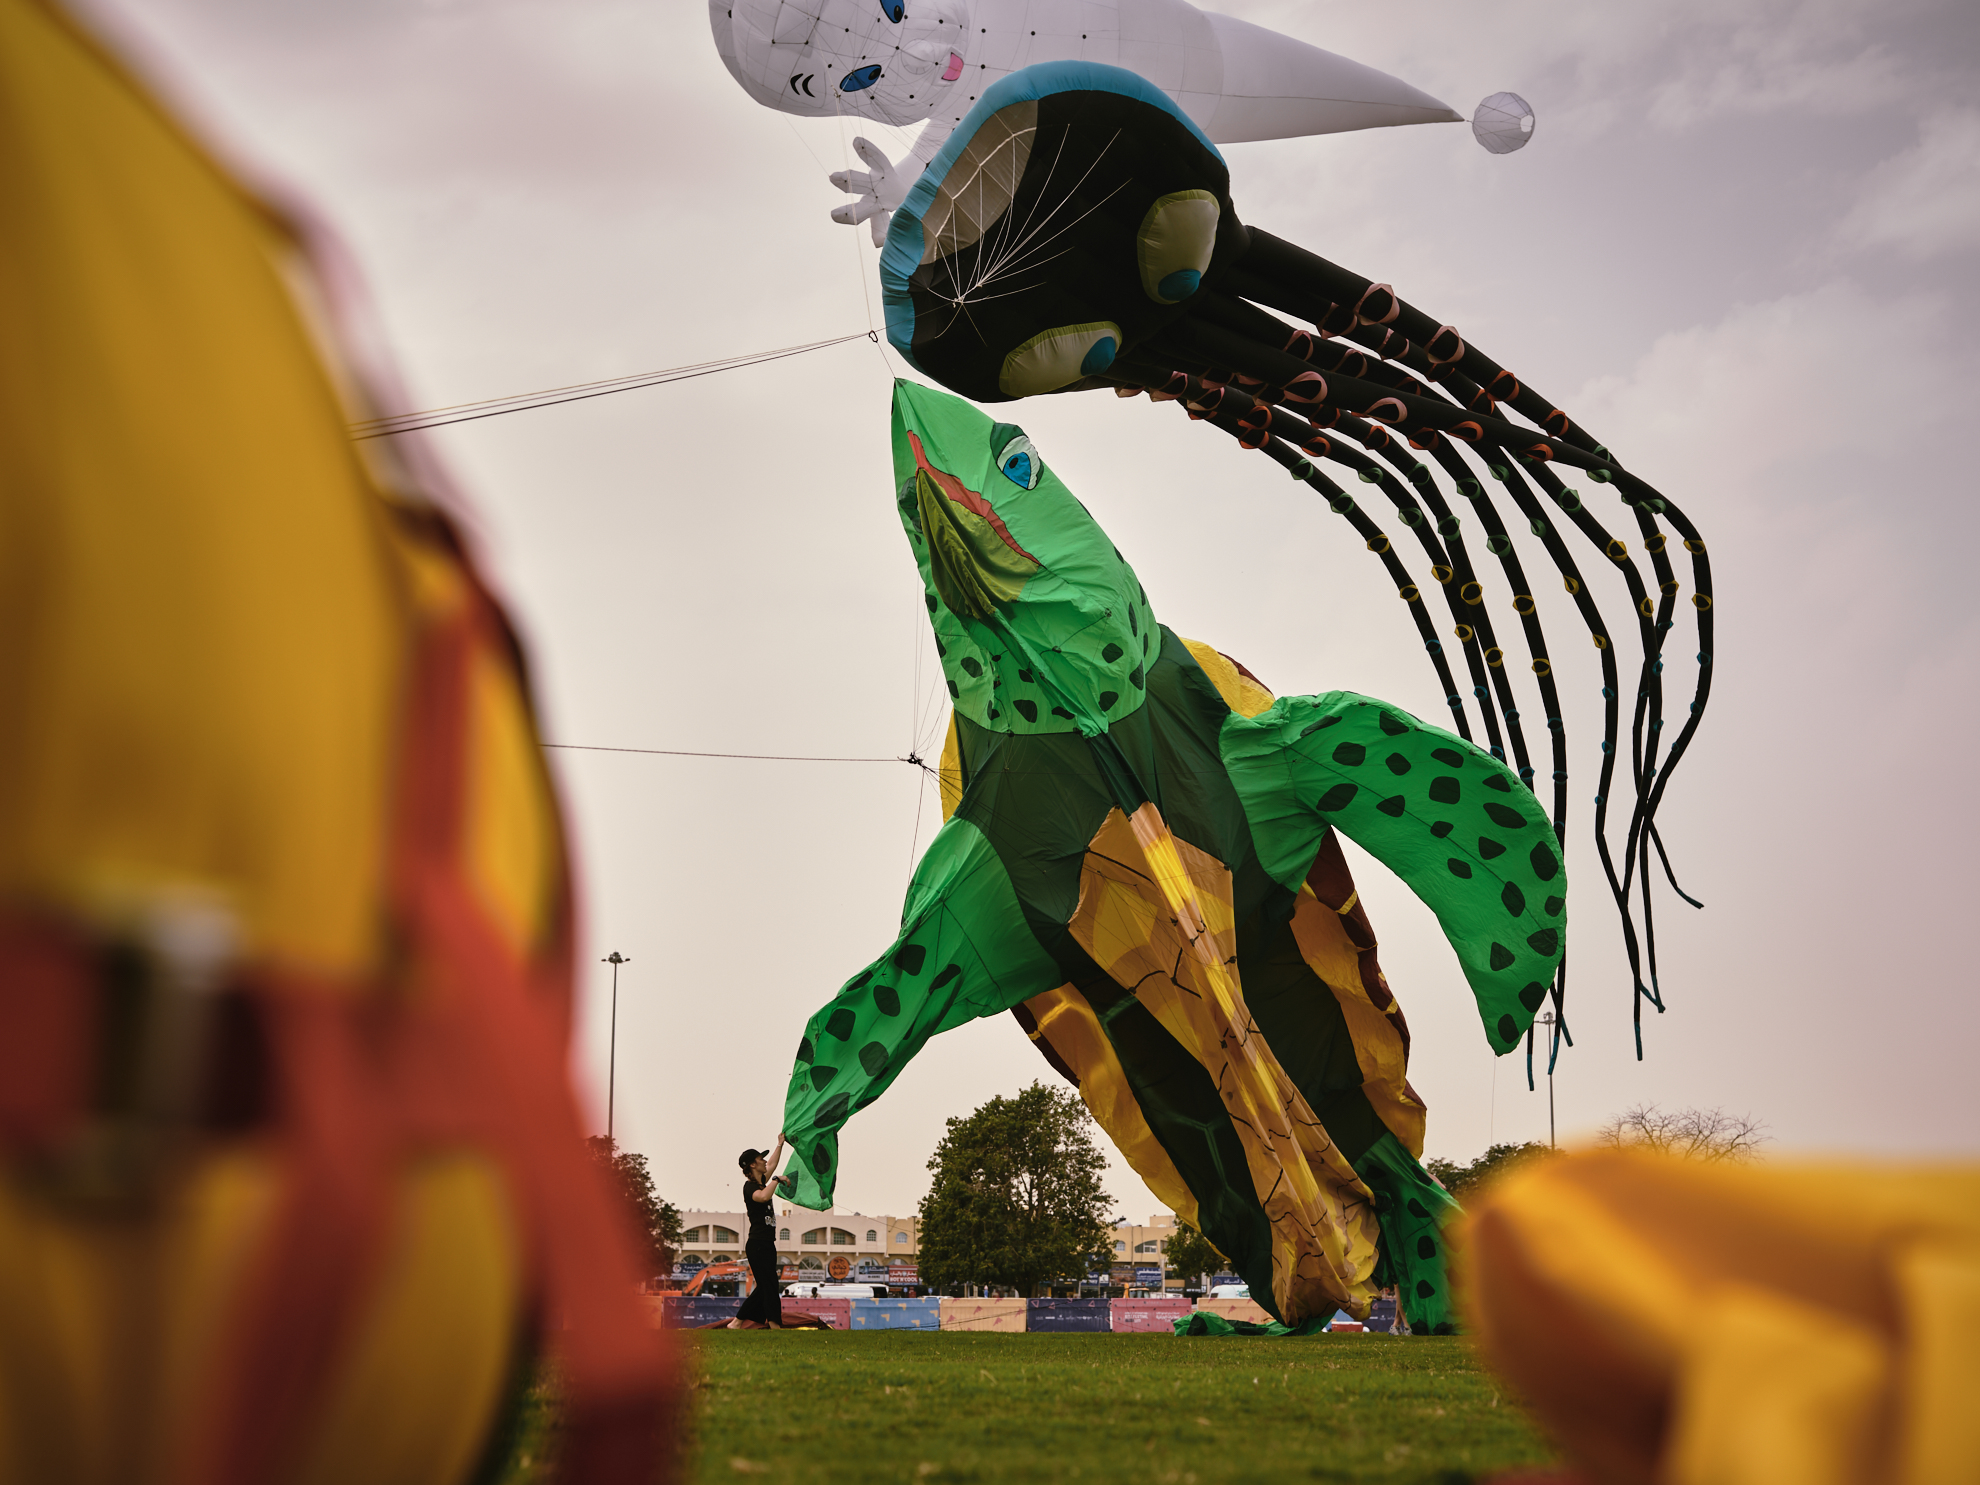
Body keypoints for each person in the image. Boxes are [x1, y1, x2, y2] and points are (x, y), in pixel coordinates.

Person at [730, 1134, 792, 1329]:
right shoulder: (750, 1188)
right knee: (769, 1285)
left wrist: (780, 1145)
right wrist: (777, 1179)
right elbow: (764, 1197)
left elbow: (772, 1163)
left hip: (767, 1243)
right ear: (752, 1166)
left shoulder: (761, 1181)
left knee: (768, 1285)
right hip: (757, 1245)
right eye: (760, 1159)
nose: (765, 1161)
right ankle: (774, 1325)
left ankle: (737, 1322)